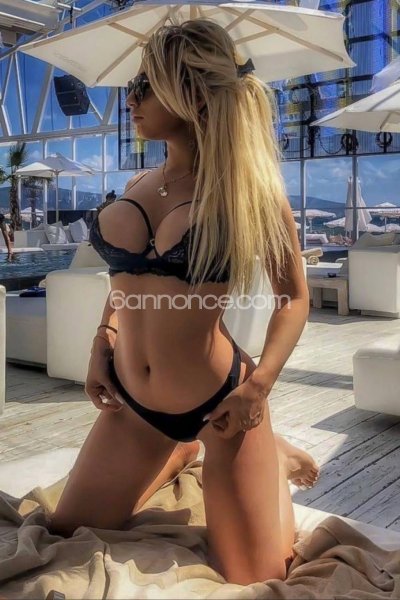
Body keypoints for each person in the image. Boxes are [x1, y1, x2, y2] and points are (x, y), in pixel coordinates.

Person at [49, 20, 319, 585]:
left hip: (220, 405)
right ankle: (177, 452)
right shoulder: (139, 184)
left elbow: (293, 297)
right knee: (64, 535)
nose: (131, 99)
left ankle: (268, 453)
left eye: (145, 85)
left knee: (255, 577)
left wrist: (258, 387)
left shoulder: (247, 191)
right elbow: (122, 281)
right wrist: (103, 341)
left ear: (192, 94)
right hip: (131, 405)